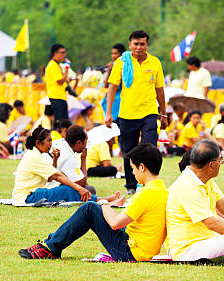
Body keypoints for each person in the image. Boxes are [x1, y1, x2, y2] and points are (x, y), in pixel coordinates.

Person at [19, 143, 168, 261]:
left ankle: (50, 247)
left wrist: (103, 203)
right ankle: (50, 244)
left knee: (90, 208)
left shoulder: (146, 194)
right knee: (93, 208)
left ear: (142, 167)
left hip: (130, 252)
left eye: (133, 169)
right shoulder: (162, 190)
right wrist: (107, 206)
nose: (133, 173)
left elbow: (115, 223)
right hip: (139, 246)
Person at [105, 30, 168, 194]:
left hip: (149, 112)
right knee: (129, 151)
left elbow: (160, 90)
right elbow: (112, 87)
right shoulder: (122, 62)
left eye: (142, 44)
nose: (139, 47)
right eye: (136, 44)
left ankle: (150, 185)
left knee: (150, 148)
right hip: (127, 114)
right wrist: (109, 113)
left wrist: (164, 113)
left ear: (147, 45)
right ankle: (131, 186)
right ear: (130, 45)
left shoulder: (155, 62)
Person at [101, 43, 126, 120]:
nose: (113, 56)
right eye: (112, 54)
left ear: (121, 54)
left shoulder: (125, 66)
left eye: (115, 53)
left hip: (120, 97)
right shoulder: (112, 66)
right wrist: (109, 71)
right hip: (112, 97)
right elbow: (105, 85)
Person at [45, 43, 69, 121]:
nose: (64, 54)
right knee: (61, 121)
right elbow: (60, 81)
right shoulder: (52, 65)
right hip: (56, 97)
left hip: (60, 96)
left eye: (65, 52)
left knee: (63, 120)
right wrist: (67, 69)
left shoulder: (56, 64)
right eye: (62, 52)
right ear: (55, 53)